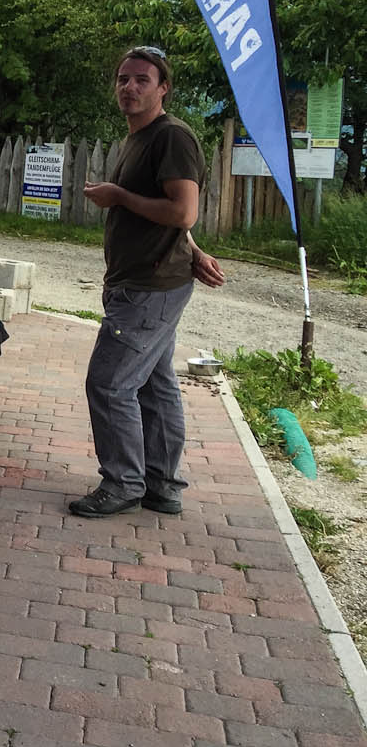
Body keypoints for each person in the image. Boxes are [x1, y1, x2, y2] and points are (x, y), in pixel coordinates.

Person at [71, 46, 224, 518]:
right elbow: (178, 220)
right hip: (147, 279)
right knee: (156, 387)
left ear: (163, 89)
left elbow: (183, 210)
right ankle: (162, 484)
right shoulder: (138, 137)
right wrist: (193, 250)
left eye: (142, 80)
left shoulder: (171, 136)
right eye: (123, 79)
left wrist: (118, 196)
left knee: (109, 384)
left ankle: (123, 483)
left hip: (148, 287)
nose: (129, 87)